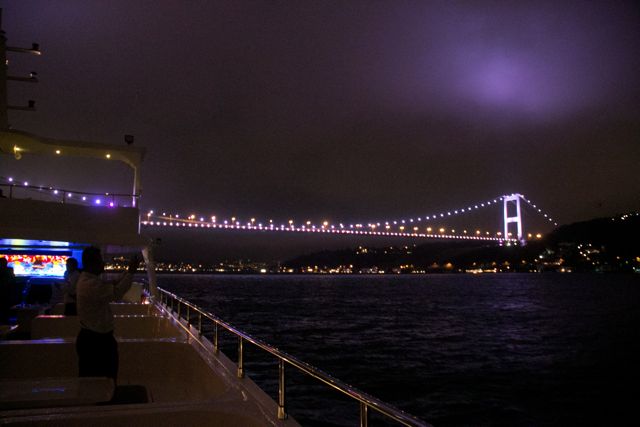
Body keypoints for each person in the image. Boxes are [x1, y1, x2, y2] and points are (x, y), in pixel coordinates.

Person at [76, 247, 140, 381]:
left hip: (93, 338)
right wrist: (131, 272)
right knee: (103, 380)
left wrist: (127, 272)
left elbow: (112, 283)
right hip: (96, 342)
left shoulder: (89, 280)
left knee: (94, 380)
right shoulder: (90, 285)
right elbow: (117, 293)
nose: (103, 263)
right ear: (93, 263)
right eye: (100, 260)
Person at [0, 257, 16, 324]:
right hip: (7, 292)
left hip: (5, 292)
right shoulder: (10, 270)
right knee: (5, 308)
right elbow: (13, 279)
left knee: (5, 308)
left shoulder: (8, 270)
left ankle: (5, 323)